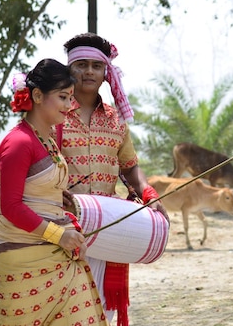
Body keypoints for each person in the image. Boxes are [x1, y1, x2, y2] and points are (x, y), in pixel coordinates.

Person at [58, 32, 169, 326]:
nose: (89, 72)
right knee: (63, 308)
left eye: (96, 65)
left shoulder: (116, 119)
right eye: (81, 64)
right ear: (69, 68)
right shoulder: (52, 113)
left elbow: (130, 168)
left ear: (106, 72)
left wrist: (148, 194)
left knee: (102, 310)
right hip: (60, 228)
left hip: (107, 225)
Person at [0, 59, 107, 326]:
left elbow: (43, 194)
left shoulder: (50, 137)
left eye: (70, 97)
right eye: (63, 97)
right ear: (37, 95)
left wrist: (66, 215)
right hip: (25, 260)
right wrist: (59, 235)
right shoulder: (19, 142)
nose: (70, 105)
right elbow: (10, 207)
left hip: (61, 257)